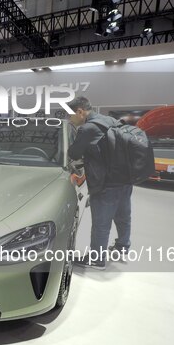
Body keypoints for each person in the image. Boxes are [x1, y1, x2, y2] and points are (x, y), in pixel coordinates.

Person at [67, 96, 132, 270]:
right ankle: (122, 247)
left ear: (80, 112)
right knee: (123, 216)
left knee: (101, 224)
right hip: (125, 179)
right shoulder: (110, 120)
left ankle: (97, 260)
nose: (70, 119)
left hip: (105, 183)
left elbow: (73, 153)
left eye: (70, 115)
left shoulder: (87, 128)